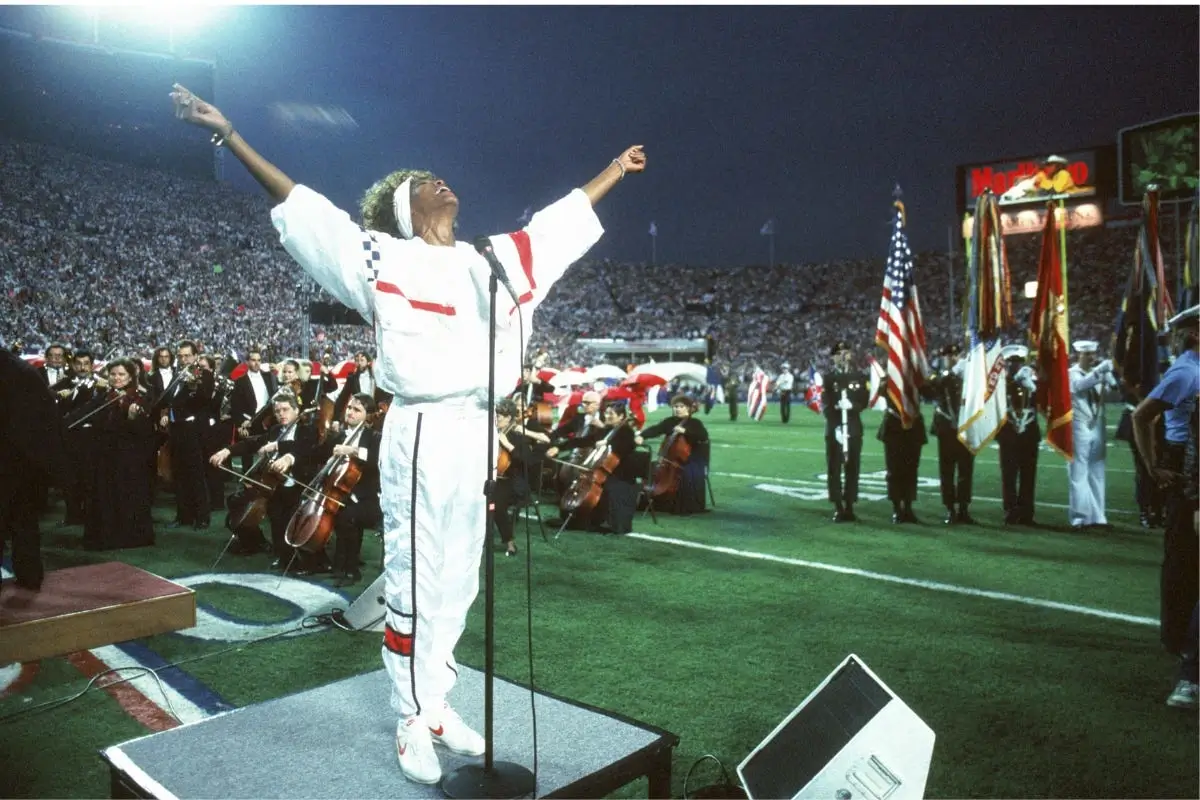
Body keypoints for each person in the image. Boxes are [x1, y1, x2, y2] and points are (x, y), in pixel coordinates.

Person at [172, 82, 645, 785]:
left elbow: (556, 228)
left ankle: (440, 704)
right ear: (404, 208)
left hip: (477, 430)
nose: (440, 183)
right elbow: (307, 212)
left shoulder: (493, 259)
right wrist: (230, 135)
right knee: (416, 577)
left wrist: (613, 169)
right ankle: (409, 718)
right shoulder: (380, 259)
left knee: (458, 579)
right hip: (421, 427)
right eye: (425, 184)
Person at [1132, 304, 1199, 694]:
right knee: (1182, 557)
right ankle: (1177, 638)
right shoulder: (1185, 371)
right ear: (1196, 333)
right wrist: (1154, 467)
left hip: (1194, 458)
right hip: (1184, 464)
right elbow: (1142, 416)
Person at [0, 349, 70, 595]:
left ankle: (29, 576)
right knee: (24, 522)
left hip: (13, 461)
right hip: (25, 463)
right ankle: (30, 577)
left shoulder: (15, 372)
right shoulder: (23, 371)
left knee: (19, 521)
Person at [79, 358, 156, 550]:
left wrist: (132, 418)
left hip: (129, 456)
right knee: (104, 494)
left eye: (121, 374)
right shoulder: (103, 396)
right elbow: (86, 413)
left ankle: (129, 537)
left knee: (126, 494)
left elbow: (146, 431)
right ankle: (105, 535)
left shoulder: (141, 397)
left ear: (130, 376)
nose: (117, 378)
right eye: (113, 374)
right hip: (105, 454)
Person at [310, 392, 381, 585]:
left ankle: (350, 568)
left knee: (347, 515)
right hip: (340, 492)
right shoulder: (339, 435)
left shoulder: (374, 437)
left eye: (357, 410)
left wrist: (352, 450)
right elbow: (316, 455)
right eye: (349, 407)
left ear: (368, 415)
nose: (350, 412)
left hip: (367, 497)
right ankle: (320, 560)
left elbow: (377, 460)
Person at [547, 400, 640, 534]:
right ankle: (575, 517)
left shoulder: (627, 432)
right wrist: (559, 447)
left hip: (620, 473)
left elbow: (626, 448)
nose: (607, 416)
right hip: (604, 471)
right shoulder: (606, 430)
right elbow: (584, 441)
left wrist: (609, 443)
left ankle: (595, 520)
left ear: (621, 417)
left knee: (605, 488)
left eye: (611, 414)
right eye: (606, 413)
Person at [1067, 341, 1119, 529]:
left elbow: (1111, 392)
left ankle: (1098, 516)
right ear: (1078, 355)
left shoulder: (1098, 373)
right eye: (1087, 354)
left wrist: (1109, 377)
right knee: (1078, 471)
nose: (1091, 357)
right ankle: (1079, 516)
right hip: (1079, 424)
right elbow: (1079, 386)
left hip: (1097, 424)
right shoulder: (1071, 374)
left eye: (1093, 354)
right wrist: (1099, 372)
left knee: (1097, 471)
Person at [922, 343, 974, 524]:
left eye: (954, 355)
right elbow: (928, 390)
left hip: (966, 427)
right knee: (947, 471)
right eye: (947, 356)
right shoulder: (941, 376)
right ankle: (950, 508)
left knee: (966, 469)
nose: (951, 359)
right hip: (946, 428)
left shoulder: (968, 375)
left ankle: (964, 508)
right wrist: (951, 374)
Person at [492, 398, 549, 555]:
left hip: (513, 482)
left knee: (495, 504)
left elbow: (527, 461)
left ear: (509, 417)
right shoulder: (493, 433)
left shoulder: (517, 435)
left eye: (500, 416)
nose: (496, 418)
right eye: (495, 415)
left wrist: (508, 445)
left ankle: (510, 544)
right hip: (495, 478)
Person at [637, 394, 710, 514]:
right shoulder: (670, 421)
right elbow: (656, 429)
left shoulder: (695, 423)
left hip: (693, 458)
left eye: (681, 406)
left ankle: (679, 503)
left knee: (687, 472)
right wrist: (642, 435)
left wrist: (686, 431)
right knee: (650, 466)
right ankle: (654, 497)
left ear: (689, 408)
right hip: (672, 460)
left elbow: (703, 437)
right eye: (675, 406)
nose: (677, 409)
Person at [824, 342, 870, 522]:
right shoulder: (828, 378)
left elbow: (864, 401)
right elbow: (826, 405)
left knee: (852, 468)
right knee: (834, 468)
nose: (843, 356)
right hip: (835, 428)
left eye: (846, 352)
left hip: (853, 428)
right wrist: (835, 426)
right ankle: (838, 506)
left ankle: (849, 504)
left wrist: (853, 406)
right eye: (839, 353)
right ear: (833, 357)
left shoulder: (859, 377)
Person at [877, 371, 927, 525]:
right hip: (894, 427)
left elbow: (929, 392)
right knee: (894, 470)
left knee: (911, 469)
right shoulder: (890, 376)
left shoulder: (917, 374)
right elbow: (881, 392)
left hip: (913, 427)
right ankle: (897, 508)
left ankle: (909, 507)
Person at [997, 345, 1040, 525]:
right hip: (1008, 434)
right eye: (1012, 363)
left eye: (1019, 362)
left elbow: (1040, 400)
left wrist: (1031, 384)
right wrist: (1014, 382)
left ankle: (1027, 512)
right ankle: (1011, 510)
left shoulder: (1031, 383)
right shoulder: (1001, 383)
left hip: (1029, 434)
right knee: (1009, 475)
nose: (1016, 366)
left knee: (1028, 474)